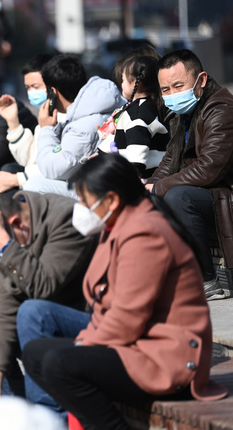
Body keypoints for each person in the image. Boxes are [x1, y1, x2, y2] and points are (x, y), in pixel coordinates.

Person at [22, 154, 228, 429]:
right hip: (135, 343)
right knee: (37, 352)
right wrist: (86, 341)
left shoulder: (147, 233)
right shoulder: (117, 225)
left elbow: (127, 317)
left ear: (112, 200)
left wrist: (84, 345)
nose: (81, 208)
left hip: (166, 357)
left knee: (59, 363)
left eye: (85, 200)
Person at [0, 192, 96, 404]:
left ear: (15, 223)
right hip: (41, 321)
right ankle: (12, 411)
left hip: (89, 323)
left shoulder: (66, 218)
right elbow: (3, 307)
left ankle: (47, 416)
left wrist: (3, 245)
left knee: (32, 312)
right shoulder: (13, 236)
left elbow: (45, 287)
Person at [145, 49, 233, 300]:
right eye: (166, 90)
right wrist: (150, 186)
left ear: (201, 80)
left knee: (177, 196)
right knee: (147, 198)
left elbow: (210, 168)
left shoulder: (221, 109)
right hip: (204, 192)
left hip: (223, 194)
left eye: (178, 85)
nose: (172, 95)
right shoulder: (181, 113)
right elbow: (171, 159)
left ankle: (205, 280)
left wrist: (160, 188)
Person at [25, 54, 123, 197]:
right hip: (96, 183)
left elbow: (52, 170)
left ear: (53, 92)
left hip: (97, 193)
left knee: (34, 186)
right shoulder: (94, 106)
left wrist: (46, 129)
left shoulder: (84, 126)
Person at [0, 54, 55, 193]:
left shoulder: (63, 117)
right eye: (27, 88)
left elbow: (55, 167)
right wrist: (12, 121)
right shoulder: (43, 115)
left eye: (35, 86)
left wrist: (18, 179)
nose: (31, 93)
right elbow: (29, 160)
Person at [96, 55, 169, 178]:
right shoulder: (139, 107)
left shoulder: (139, 113)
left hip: (141, 178)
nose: (121, 84)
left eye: (123, 80)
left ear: (137, 83)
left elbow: (137, 156)